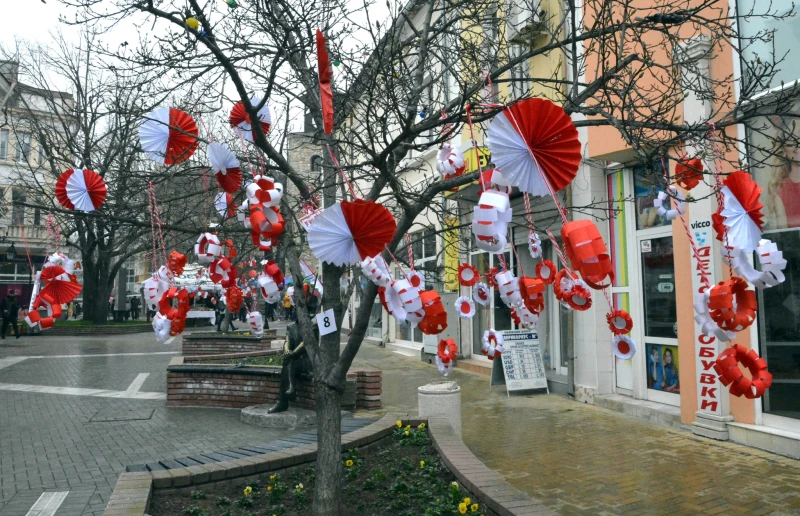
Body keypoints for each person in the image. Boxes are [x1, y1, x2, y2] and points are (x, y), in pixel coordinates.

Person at [268, 321, 317, 413]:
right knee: (288, 361)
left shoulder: (313, 326)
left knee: (289, 361)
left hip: (308, 363)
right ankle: (290, 390)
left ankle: (284, 400)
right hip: (295, 361)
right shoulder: (291, 327)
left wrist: (293, 353)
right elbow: (287, 341)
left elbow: (306, 343)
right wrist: (287, 351)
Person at [768, 142, 800, 229]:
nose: (798, 147)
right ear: (784, 152)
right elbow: (784, 234)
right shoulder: (781, 189)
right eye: (792, 143)